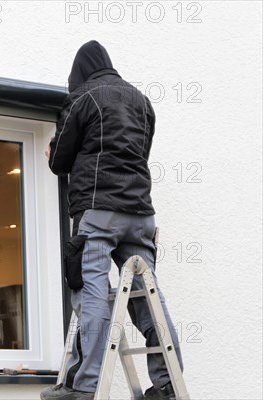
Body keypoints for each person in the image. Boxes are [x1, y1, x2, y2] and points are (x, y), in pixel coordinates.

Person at [41, 41, 184, 400]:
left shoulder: (83, 97)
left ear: (79, 73)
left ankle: (85, 384)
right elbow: (138, 155)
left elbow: (60, 160)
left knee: (92, 291)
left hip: (99, 213)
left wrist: (51, 149)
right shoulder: (142, 102)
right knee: (146, 297)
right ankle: (168, 384)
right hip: (140, 216)